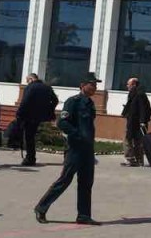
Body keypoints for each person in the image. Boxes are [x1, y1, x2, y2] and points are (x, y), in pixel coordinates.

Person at [34, 73, 101, 225]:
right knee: (65, 180)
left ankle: (83, 215)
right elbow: (62, 123)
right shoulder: (73, 102)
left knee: (86, 182)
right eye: (92, 84)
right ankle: (41, 207)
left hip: (87, 150)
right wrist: (77, 135)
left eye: (96, 85)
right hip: (75, 149)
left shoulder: (90, 103)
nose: (95, 87)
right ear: (83, 85)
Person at [15, 73, 58, 166]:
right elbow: (55, 100)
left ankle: (30, 158)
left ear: (31, 79)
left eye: (27, 81)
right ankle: (31, 157)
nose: (27, 83)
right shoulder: (47, 87)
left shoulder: (30, 88)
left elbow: (25, 101)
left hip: (29, 116)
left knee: (28, 137)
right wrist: (49, 109)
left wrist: (19, 113)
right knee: (31, 136)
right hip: (41, 116)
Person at [121, 77, 151, 166]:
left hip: (137, 122)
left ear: (134, 84)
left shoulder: (140, 94)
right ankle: (136, 160)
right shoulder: (133, 93)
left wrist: (143, 121)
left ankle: (132, 159)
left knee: (131, 140)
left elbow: (144, 108)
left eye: (128, 84)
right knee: (134, 140)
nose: (127, 86)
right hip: (132, 120)